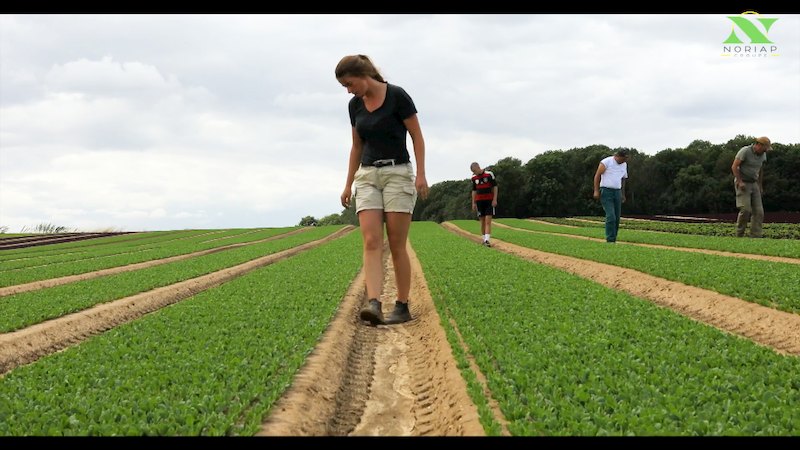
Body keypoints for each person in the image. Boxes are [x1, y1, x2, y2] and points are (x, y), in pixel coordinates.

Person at [336, 54, 429, 326]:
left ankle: (401, 305)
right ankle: (374, 303)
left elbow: (417, 136)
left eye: (349, 84)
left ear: (364, 76)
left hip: (398, 173)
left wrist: (421, 174)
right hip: (367, 176)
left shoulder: (398, 96)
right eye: (345, 87)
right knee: (371, 241)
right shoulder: (354, 106)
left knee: (397, 243)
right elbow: (357, 146)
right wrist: (348, 182)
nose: (349, 90)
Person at [731, 136, 770, 238]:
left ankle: (755, 236)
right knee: (745, 210)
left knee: (759, 212)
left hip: (754, 183)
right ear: (759, 145)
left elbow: (760, 169)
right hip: (743, 183)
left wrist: (760, 185)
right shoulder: (745, 151)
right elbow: (734, 166)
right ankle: (739, 235)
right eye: (765, 148)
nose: (766, 151)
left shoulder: (763, 155)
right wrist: (739, 181)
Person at [593, 149, 629, 243]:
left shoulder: (624, 165)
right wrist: (596, 191)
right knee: (611, 216)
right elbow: (597, 175)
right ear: (617, 156)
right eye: (623, 158)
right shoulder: (606, 162)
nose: (624, 161)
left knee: (617, 217)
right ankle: (610, 240)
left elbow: (623, 179)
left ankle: (614, 238)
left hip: (617, 191)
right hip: (606, 191)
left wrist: (622, 194)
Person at [470, 162, 498, 247]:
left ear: (478, 167)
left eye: (474, 171)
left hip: (489, 201)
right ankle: (483, 238)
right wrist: (473, 202)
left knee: (488, 221)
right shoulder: (474, 178)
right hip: (479, 202)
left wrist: (495, 199)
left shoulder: (489, 175)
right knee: (482, 221)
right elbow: (474, 191)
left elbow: (495, 187)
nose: (474, 173)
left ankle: (487, 240)